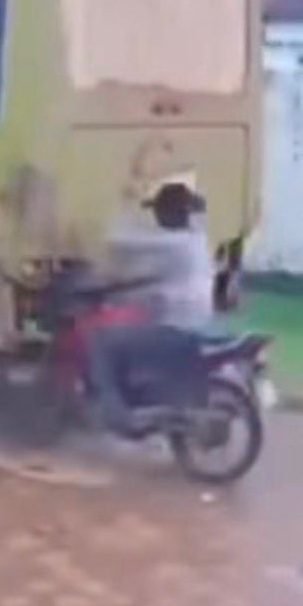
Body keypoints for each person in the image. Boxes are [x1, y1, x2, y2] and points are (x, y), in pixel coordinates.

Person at [84, 179, 216, 438]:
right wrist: (128, 290)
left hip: (174, 327)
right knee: (127, 328)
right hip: (195, 323)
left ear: (167, 213)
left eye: (158, 210)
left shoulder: (171, 244)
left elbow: (118, 242)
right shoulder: (196, 241)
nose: (155, 216)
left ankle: (117, 415)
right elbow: (154, 281)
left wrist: (122, 203)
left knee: (100, 339)